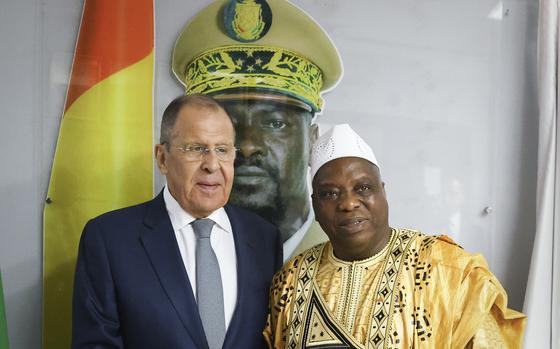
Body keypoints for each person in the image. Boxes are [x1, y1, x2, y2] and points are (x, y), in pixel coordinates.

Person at [264, 124, 526, 348]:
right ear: (315, 205)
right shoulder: (291, 280)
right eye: (330, 193)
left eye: (363, 188)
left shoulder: (450, 272)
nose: (348, 203)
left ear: (383, 192)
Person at [72, 95, 282, 349]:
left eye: (223, 150)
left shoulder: (264, 238)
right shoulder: (110, 240)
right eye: (196, 149)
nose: (212, 165)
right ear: (162, 158)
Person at [171, 0, 343, 260]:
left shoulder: (360, 267)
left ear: (312, 141)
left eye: (275, 123)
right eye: (226, 125)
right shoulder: (158, 255)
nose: (249, 145)